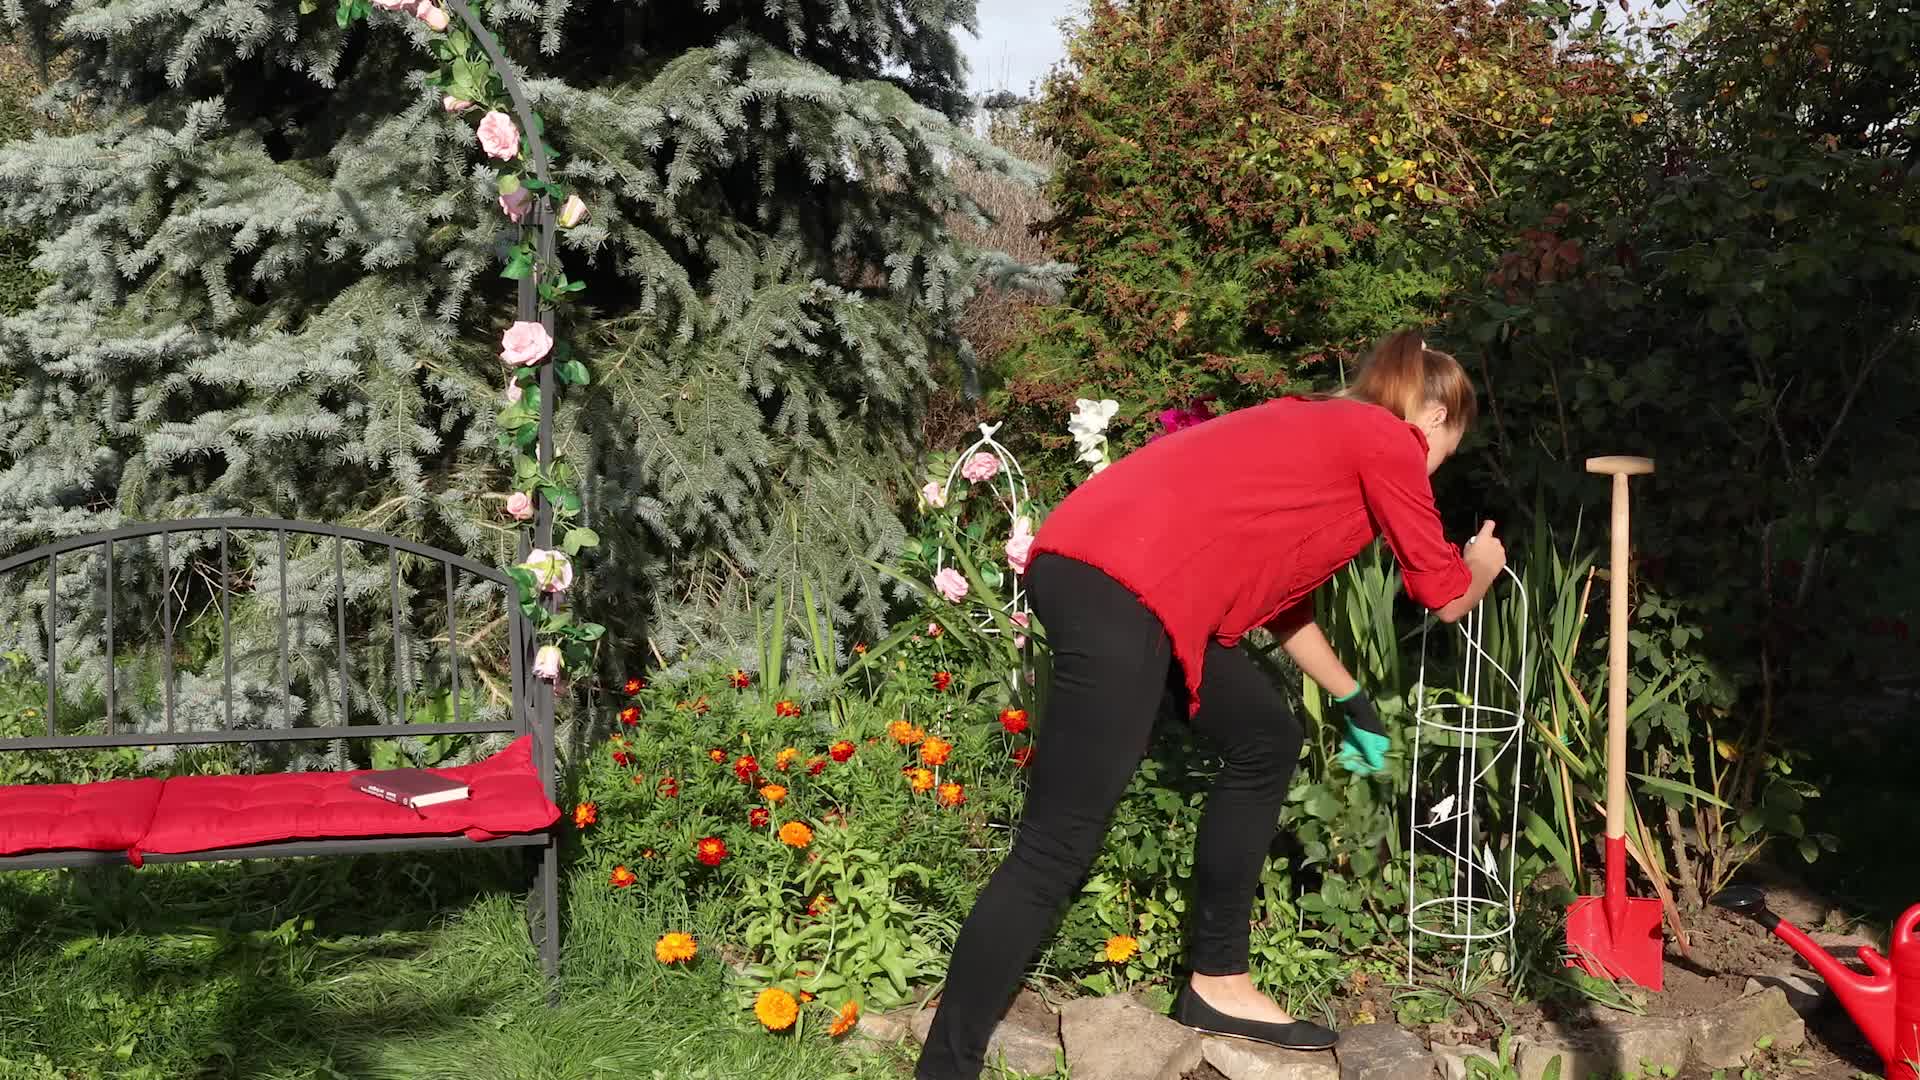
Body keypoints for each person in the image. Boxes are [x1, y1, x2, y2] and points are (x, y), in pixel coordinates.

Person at [914, 330, 1509, 1080]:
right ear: (1432, 417)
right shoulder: (1382, 438)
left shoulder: (1325, 438)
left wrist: (1354, 701)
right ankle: (943, 1070)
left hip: (1120, 583)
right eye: (1453, 437)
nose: (1445, 455)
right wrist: (1481, 565)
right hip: (1124, 588)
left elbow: (1284, 608)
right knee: (1054, 847)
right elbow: (1446, 593)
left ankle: (1218, 982)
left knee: (1265, 736)